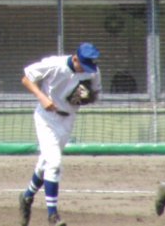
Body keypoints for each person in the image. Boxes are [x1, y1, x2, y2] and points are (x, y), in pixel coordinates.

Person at [18, 42, 102, 226]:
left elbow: (95, 94)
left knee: (45, 163)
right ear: (75, 58)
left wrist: (86, 97)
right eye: (84, 64)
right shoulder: (55, 65)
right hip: (46, 118)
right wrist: (42, 97)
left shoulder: (92, 70)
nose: (87, 69)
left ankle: (26, 197)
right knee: (54, 163)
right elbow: (26, 78)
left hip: (68, 119)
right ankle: (52, 216)